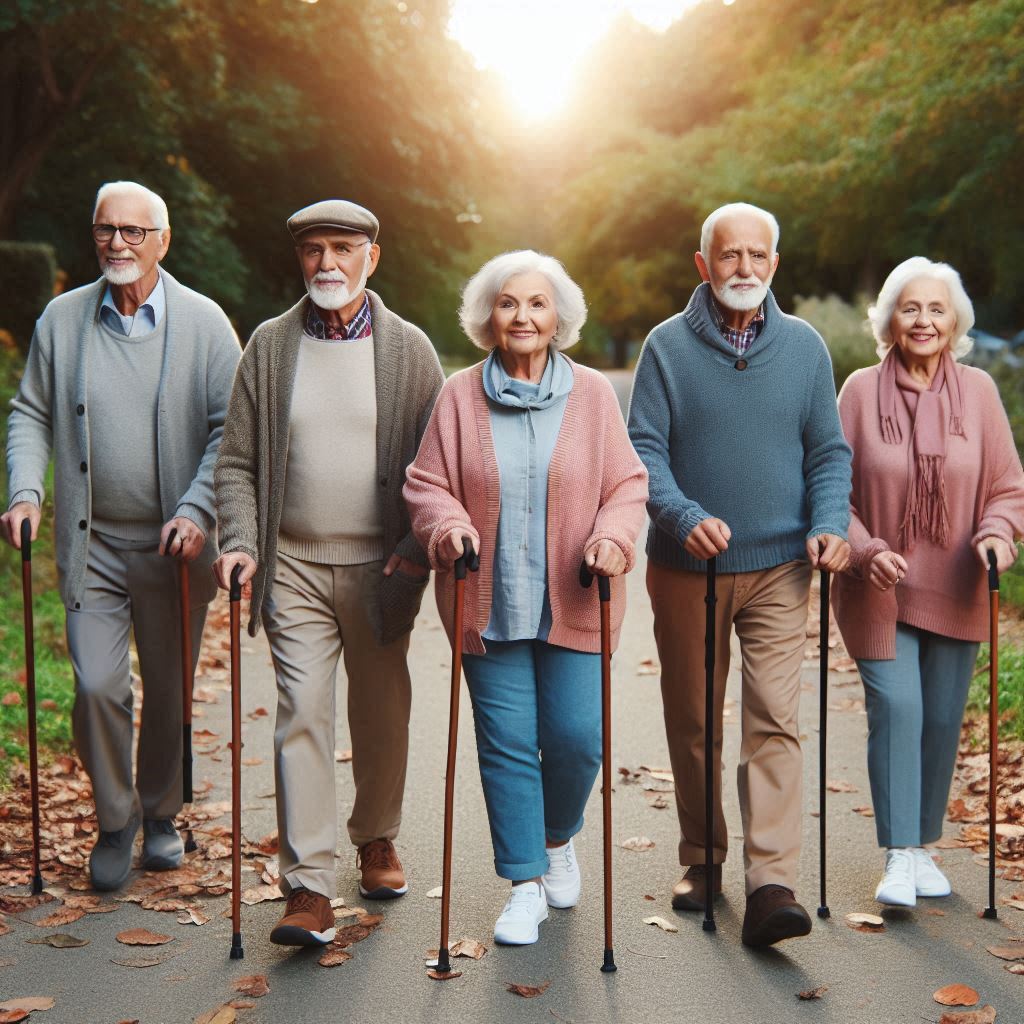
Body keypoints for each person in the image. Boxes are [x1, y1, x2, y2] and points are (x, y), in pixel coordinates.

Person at [213, 199, 444, 947]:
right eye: (313, 249)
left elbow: (434, 466)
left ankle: (376, 838)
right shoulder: (271, 346)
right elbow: (239, 462)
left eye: (342, 248)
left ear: (372, 257)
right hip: (295, 567)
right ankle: (307, 884)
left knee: (382, 712)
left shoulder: (410, 351)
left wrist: (417, 548)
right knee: (301, 714)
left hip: (384, 567)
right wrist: (242, 540)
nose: (327, 263)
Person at [404, 250, 648, 946]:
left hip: (575, 599)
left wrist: (612, 538)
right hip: (488, 602)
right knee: (506, 743)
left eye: (537, 304)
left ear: (557, 318)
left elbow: (627, 484)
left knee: (577, 739)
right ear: (489, 316)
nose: (522, 316)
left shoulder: (594, 395)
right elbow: (425, 484)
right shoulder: (458, 395)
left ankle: (557, 835)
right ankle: (523, 883)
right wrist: (448, 526)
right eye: (509, 303)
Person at [3, 181, 240, 890]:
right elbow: (31, 413)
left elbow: (234, 431)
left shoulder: (204, 324)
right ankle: (115, 820)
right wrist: (25, 492)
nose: (117, 243)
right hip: (93, 543)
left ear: (162, 241)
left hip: (178, 550)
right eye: (106, 228)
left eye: (134, 232)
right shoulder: (61, 318)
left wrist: (197, 512)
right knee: (98, 684)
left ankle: (162, 813)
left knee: (168, 690)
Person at [627, 202, 853, 947]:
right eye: (730, 256)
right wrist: (682, 514)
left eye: (758, 256)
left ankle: (771, 882)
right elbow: (644, 452)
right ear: (704, 264)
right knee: (694, 721)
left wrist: (827, 524)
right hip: (689, 568)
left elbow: (828, 452)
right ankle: (701, 857)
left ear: (775, 266)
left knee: (774, 722)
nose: (745, 269)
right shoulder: (665, 349)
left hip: (782, 566)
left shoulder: (805, 349)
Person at [832, 257, 1024, 907]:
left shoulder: (979, 394)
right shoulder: (859, 391)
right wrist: (865, 550)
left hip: (959, 583)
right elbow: (834, 491)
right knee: (900, 708)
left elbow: (1006, 487)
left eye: (936, 309)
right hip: (880, 587)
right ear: (889, 319)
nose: (923, 320)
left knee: (942, 719)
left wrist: (997, 533)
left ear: (954, 323)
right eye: (910, 308)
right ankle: (896, 853)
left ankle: (922, 845)